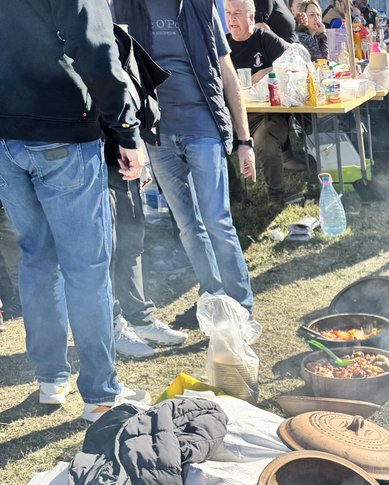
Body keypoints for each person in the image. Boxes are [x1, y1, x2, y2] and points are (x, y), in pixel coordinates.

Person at [0, 0, 145, 419]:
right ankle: (101, 396)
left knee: (37, 259)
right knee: (85, 268)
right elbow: (98, 49)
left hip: (7, 141)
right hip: (61, 135)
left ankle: (51, 380)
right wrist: (127, 132)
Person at [112, 0, 257, 314]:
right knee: (188, 226)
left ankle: (241, 306)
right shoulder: (126, 8)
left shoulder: (199, 6)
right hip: (158, 136)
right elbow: (117, 72)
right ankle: (214, 300)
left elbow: (227, 72)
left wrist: (245, 140)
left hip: (202, 127)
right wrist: (131, 139)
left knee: (217, 221)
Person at [106, 19, 188, 360]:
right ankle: (112, 325)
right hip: (88, 151)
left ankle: (140, 318)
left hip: (122, 148)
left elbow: (132, 92)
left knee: (132, 235)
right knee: (105, 245)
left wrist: (138, 147)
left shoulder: (114, 30)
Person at [225, 0, 292, 203]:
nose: (231, 18)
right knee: (214, 139)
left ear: (252, 17)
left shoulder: (265, 38)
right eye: (227, 13)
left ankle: (276, 196)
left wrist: (267, 71)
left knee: (265, 140)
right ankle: (235, 196)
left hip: (268, 115)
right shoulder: (222, 45)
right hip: (237, 116)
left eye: (237, 13)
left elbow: (294, 61)